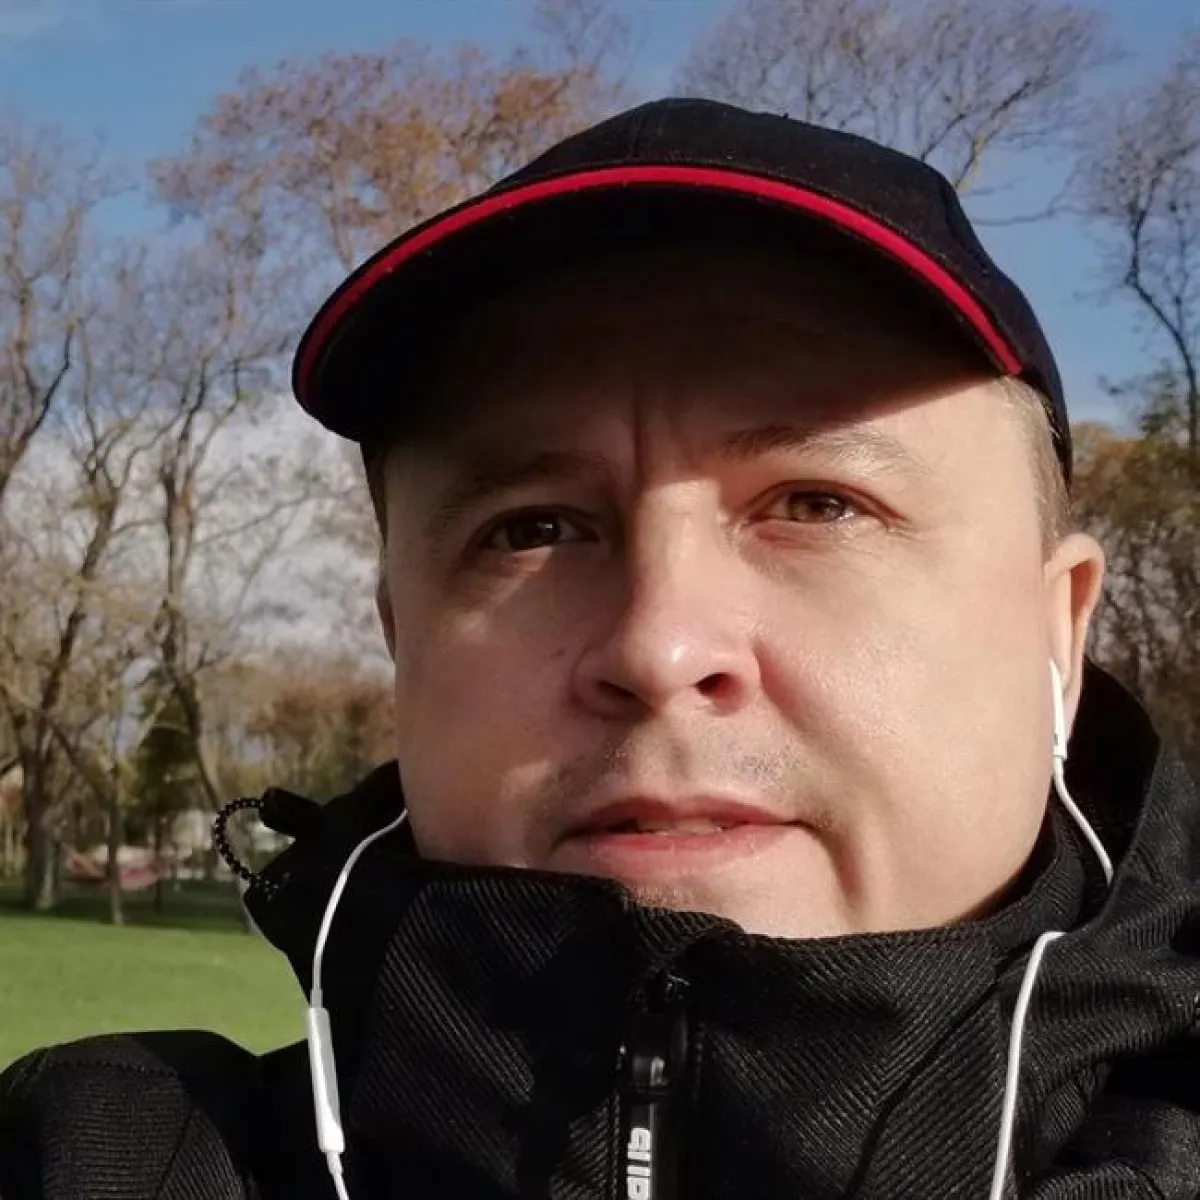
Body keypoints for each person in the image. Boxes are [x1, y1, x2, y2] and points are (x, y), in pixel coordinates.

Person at [1, 98, 1197, 1200]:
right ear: (401, 644)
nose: (658, 644)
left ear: (1059, 633)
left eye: (818, 503)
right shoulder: (95, 1164)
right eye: (532, 529)